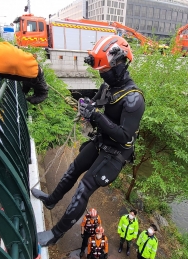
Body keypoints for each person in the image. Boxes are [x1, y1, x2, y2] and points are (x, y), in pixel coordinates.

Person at [31, 35, 145, 246]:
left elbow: (124, 135)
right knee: (73, 168)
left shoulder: (134, 99)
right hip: (102, 139)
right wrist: (86, 106)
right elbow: (97, 102)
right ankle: (50, 200)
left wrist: (96, 116)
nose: (102, 75)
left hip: (116, 151)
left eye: (105, 71)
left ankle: (55, 234)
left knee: (84, 188)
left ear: (120, 64)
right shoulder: (109, 87)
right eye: (100, 71)